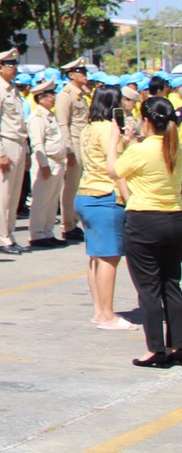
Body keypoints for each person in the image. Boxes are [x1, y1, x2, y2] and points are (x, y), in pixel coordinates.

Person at [114, 97, 182, 368]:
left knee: (148, 289)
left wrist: (115, 139)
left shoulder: (140, 150)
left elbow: (114, 170)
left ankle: (155, 349)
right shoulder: (176, 147)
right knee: (171, 285)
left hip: (144, 221)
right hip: (175, 219)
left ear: (146, 121)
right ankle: (177, 344)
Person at [74, 86, 136, 330]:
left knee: (96, 257)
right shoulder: (110, 128)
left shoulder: (88, 128)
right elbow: (118, 166)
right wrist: (130, 198)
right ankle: (108, 314)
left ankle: (100, 309)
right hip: (106, 193)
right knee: (110, 257)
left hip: (86, 193)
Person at [0, 49, 30, 255]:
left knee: (13, 195)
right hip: (5, 143)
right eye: (11, 66)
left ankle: (9, 235)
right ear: (0, 67)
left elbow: (19, 122)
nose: (15, 69)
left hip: (18, 142)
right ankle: (1, 238)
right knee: (2, 194)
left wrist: (26, 149)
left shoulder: (12, 89)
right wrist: (0, 151)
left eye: (15, 65)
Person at [27, 78, 70, 248]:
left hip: (57, 161)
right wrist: (43, 165)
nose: (54, 98)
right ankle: (37, 234)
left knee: (52, 200)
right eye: (50, 95)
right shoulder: (37, 118)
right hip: (47, 163)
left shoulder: (50, 116)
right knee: (41, 200)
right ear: (41, 98)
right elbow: (37, 144)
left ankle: (47, 232)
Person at [56, 61, 93, 243]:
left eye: (85, 71)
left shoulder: (81, 94)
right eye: (80, 71)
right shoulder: (65, 95)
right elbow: (63, 123)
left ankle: (73, 221)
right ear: (71, 75)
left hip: (84, 142)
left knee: (79, 185)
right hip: (74, 143)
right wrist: (68, 149)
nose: (84, 74)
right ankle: (67, 225)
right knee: (70, 186)